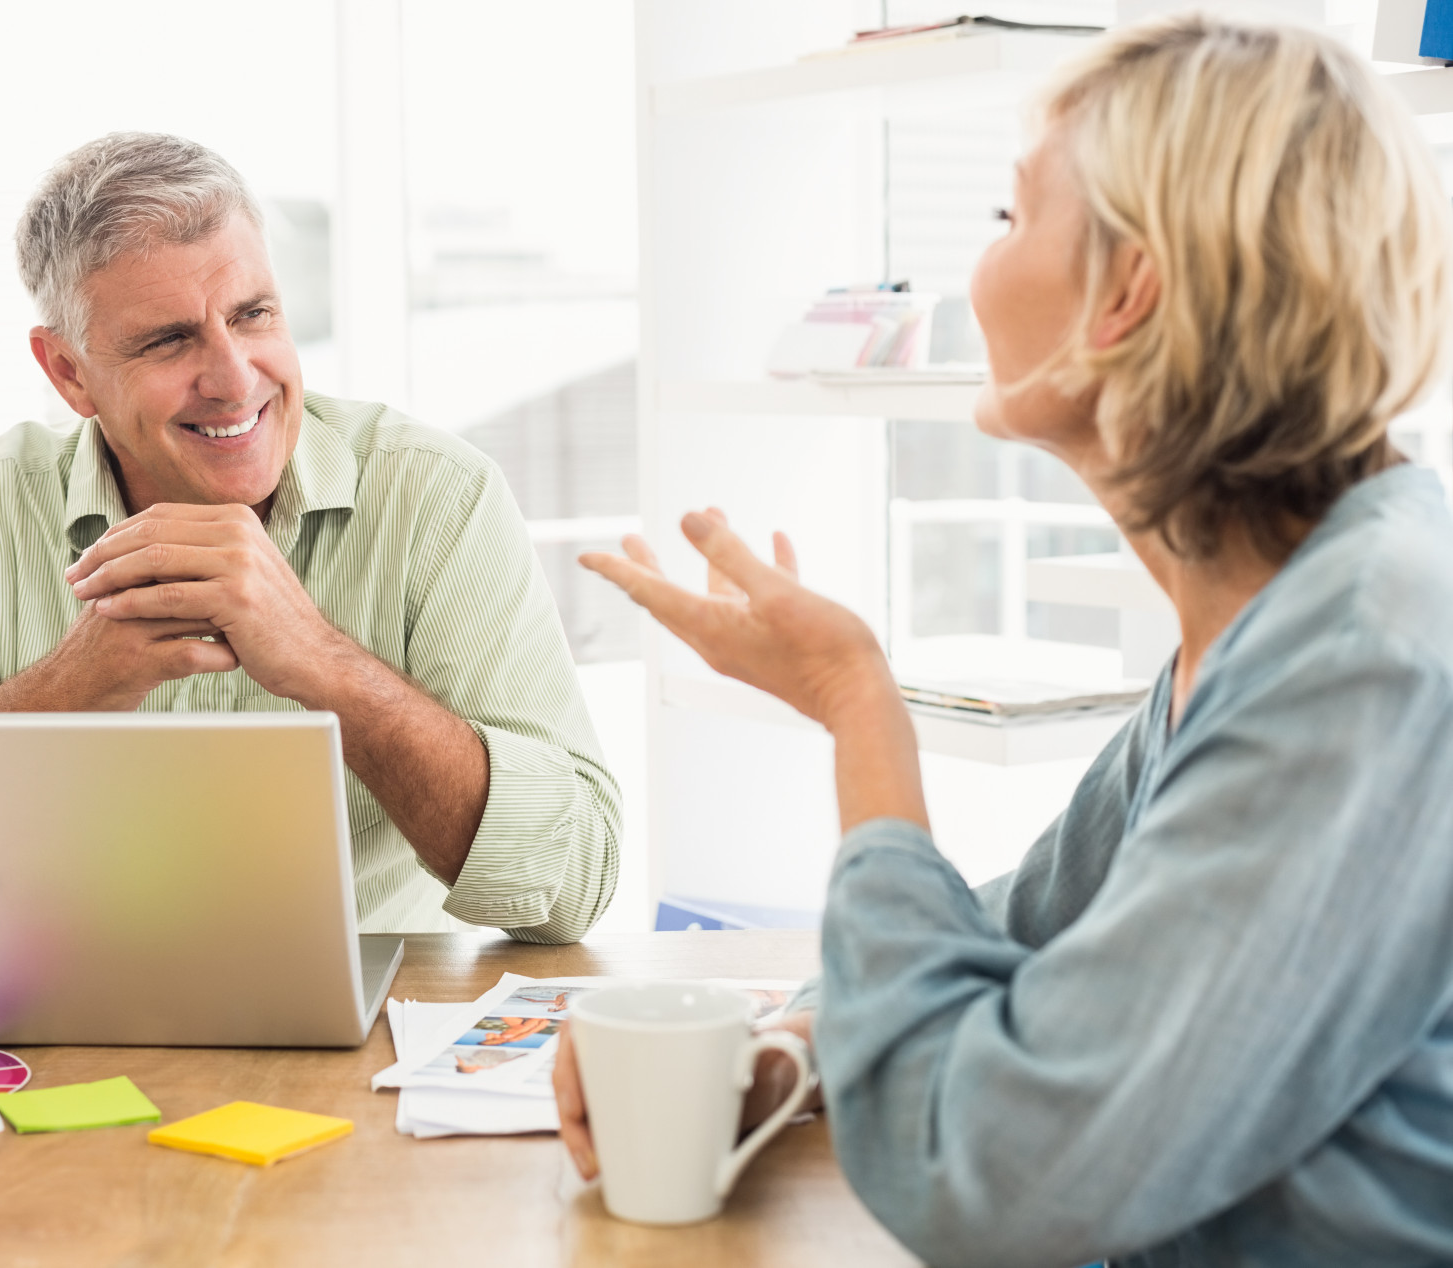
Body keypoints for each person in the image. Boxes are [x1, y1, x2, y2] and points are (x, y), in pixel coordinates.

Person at [559, 15, 1453, 1265]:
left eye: (1008, 216)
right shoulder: (1274, 611)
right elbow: (1028, 933)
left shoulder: (1363, 658)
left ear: (1128, 291)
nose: (976, 272)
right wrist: (791, 1048)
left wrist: (855, 701)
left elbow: (982, 1170)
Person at [0, 133, 619, 944]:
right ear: (68, 372)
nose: (234, 379)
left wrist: (323, 664)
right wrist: (72, 688)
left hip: (373, 1017)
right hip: (48, 1013)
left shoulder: (436, 496)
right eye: (168, 340)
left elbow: (571, 889)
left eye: (252, 315)